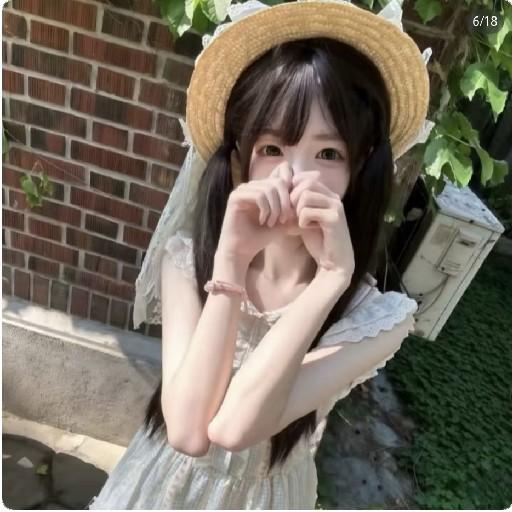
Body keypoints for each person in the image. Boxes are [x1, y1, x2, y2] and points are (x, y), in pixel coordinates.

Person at [87, 0, 434, 508]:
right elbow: (188, 431)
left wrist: (331, 279)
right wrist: (229, 267)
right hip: (160, 485)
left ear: (358, 169)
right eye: (272, 149)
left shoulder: (376, 319)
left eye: (328, 154)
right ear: (239, 162)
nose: (295, 177)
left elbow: (234, 428)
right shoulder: (186, 261)